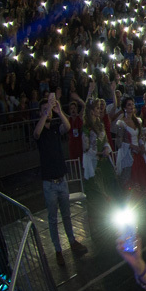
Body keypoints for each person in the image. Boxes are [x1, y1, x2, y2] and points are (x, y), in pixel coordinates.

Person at [34, 93, 88, 266]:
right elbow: (36, 133)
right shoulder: (40, 131)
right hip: (49, 183)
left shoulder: (56, 128)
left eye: (48, 109)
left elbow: (68, 125)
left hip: (61, 180)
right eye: (44, 110)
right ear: (40, 113)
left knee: (66, 214)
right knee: (52, 218)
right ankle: (58, 250)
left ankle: (72, 241)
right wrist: (46, 110)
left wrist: (57, 110)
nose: (47, 112)